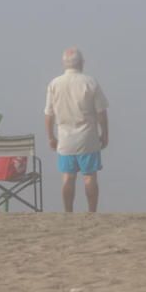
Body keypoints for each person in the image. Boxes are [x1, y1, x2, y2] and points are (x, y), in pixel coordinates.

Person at [44, 47, 109, 212]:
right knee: (89, 176)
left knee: (67, 177)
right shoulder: (90, 82)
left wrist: (51, 137)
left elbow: (49, 115)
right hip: (88, 137)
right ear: (82, 63)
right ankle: (92, 212)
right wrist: (105, 134)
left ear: (63, 64)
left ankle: (68, 212)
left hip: (65, 138)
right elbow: (101, 112)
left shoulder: (54, 84)